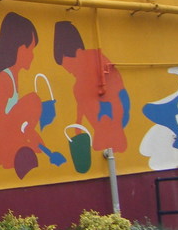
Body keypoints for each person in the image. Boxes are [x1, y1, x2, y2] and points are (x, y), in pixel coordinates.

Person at [0, 12, 47, 177]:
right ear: (20, 49)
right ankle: (14, 152)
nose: (33, 55)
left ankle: (17, 151)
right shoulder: (4, 78)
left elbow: (19, 121)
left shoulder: (13, 76)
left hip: (3, 139)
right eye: (31, 49)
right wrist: (22, 133)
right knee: (33, 101)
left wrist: (29, 135)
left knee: (30, 105)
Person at [53, 20, 129, 154]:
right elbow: (82, 104)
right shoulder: (80, 83)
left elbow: (119, 96)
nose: (69, 71)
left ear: (78, 52)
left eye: (69, 66)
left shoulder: (97, 62)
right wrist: (78, 124)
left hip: (114, 115)